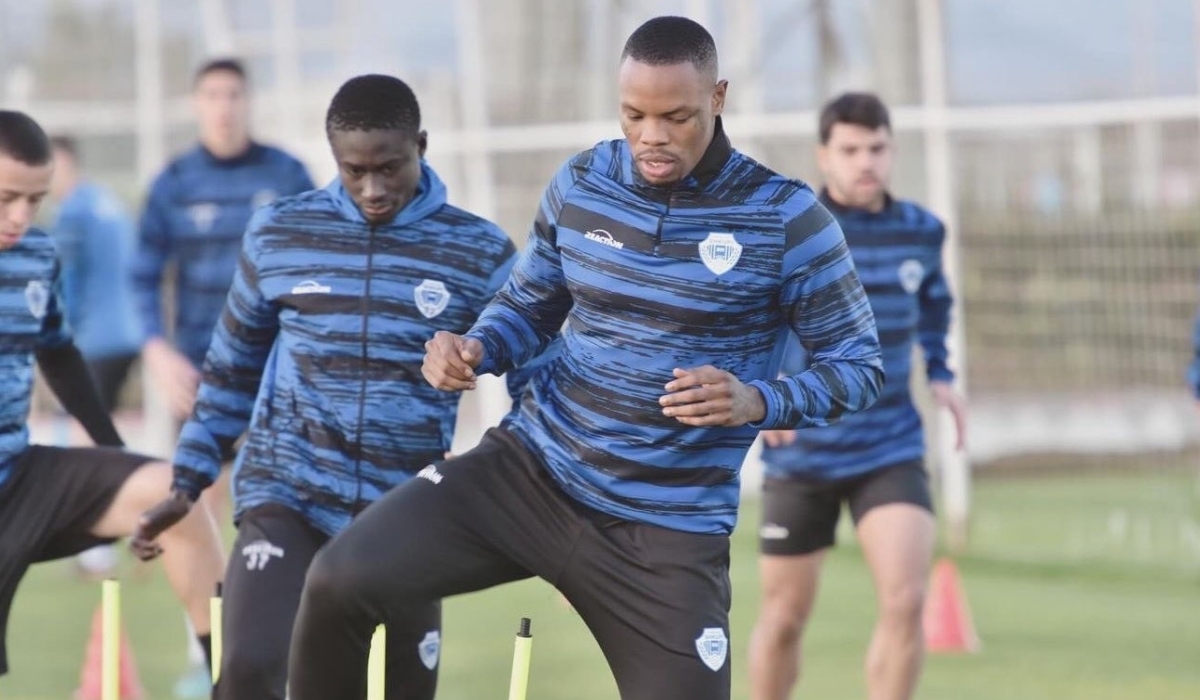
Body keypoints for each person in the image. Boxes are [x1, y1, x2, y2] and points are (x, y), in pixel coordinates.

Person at [286, 17, 884, 700]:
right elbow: (528, 306)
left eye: (675, 116)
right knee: (338, 581)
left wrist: (759, 400)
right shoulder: (583, 182)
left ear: (717, 98)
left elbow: (860, 365)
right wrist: (478, 347)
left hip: (664, 532)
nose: (651, 136)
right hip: (529, 473)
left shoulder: (786, 217)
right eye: (634, 114)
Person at [132, 74, 530, 700]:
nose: (372, 189)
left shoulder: (478, 251)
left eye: (389, 168)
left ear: (421, 145)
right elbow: (231, 369)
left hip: (403, 512)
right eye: (354, 171)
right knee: (247, 670)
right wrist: (186, 482)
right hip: (287, 492)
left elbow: (536, 371)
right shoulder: (278, 235)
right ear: (333, 157)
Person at [747, 93, 968, 700]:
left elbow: (933, 306)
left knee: (907, 600)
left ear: (892, 150)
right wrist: (767, 391)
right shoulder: (793, 230)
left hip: (889, 443)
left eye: (876, 148)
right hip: (804, 450)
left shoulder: (921, 231)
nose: (865, 162)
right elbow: (755, 316)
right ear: (825, 155)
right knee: (785, 618)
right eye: (850, 150)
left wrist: (942, 374)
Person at [0, 109, 224, 681]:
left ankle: (232, 679)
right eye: (7, 198)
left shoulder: (36, 254)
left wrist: (113, 452)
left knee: (175, 498)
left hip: (21, 478)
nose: (21, 216)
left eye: (35, 199)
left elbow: (57, 352)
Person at [130, 56, 313, 696]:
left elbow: (321, 259)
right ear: (197, 104)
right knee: (200, 504)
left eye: (234, 93)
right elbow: (143, 277)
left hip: (280, 375)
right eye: (212, 94)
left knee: (283, 506)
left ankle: (286, 650)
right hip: (201, 375)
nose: (224, 105)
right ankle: (205, 655)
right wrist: (156, 350)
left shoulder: (286, 174)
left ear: (247, 100)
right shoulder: (174, 182)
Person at [46, 135, 147, 580]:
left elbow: (67, 284)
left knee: (87, 434)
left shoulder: (74, 212)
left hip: (98, 337)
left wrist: (56, 339)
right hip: (131, 331)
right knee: (104, 430)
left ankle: (99, 548)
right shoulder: (107, 202)